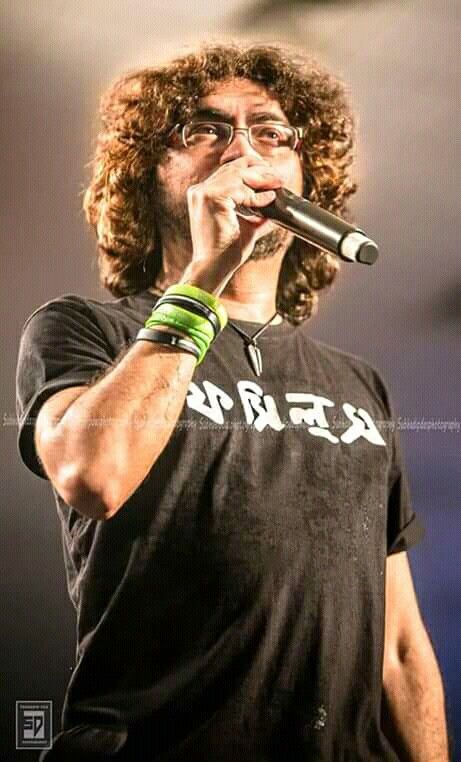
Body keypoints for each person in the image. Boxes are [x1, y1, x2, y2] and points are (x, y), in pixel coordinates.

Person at [15, 43, 450, 761]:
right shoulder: (85, 331)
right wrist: (210, 267)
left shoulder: (358, 385)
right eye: (205, 130)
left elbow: (399, 648)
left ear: (307, 179)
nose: (243, 150)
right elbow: (95, 474)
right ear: (147, 177)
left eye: (271, 132)